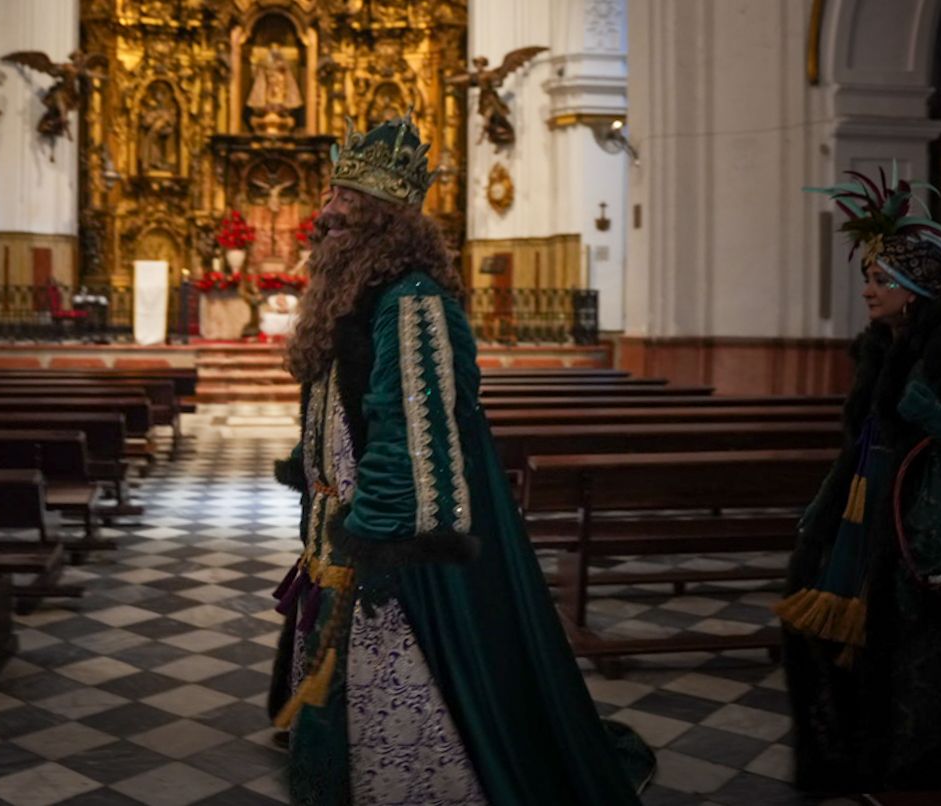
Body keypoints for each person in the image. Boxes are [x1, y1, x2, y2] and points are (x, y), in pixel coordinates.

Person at [268, 113, 654, 805]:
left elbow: (413, 431)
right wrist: (311, 468)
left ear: (384, 219)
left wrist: (377, 538)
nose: (324, 213)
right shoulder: (349, 295)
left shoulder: (411, 301)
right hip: (341, 523)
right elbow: (339, 404)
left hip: (394, 541)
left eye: (343, 202)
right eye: (331, 196)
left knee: (398, 685)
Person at [776, 166, 941, 793]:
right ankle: (850, 759)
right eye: (868, 276)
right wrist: (826, 505)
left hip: (926, 507)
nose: (868, 289)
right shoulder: (875, 346)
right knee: (830, 626)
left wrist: (930, 412)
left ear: (913, 288)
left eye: (880, 279)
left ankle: (915, 771)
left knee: (914, 644)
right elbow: (859, 439)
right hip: (863, 493)